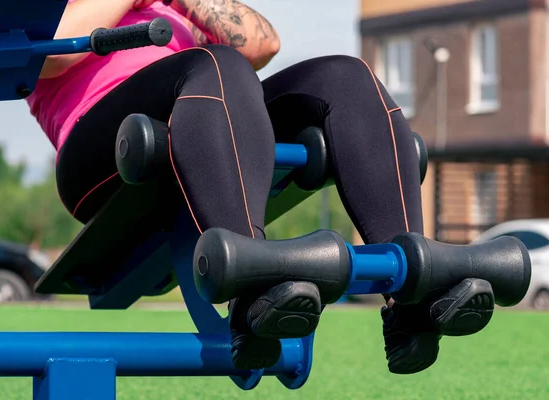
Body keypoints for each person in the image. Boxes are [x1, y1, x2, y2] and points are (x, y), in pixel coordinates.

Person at [27, 0, 484, 374]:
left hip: (202, 108)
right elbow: (47, 56)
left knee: (346, 77)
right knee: (212, 63)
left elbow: (263, 43)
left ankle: (412, 297)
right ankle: (253, 294)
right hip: (104, 149)